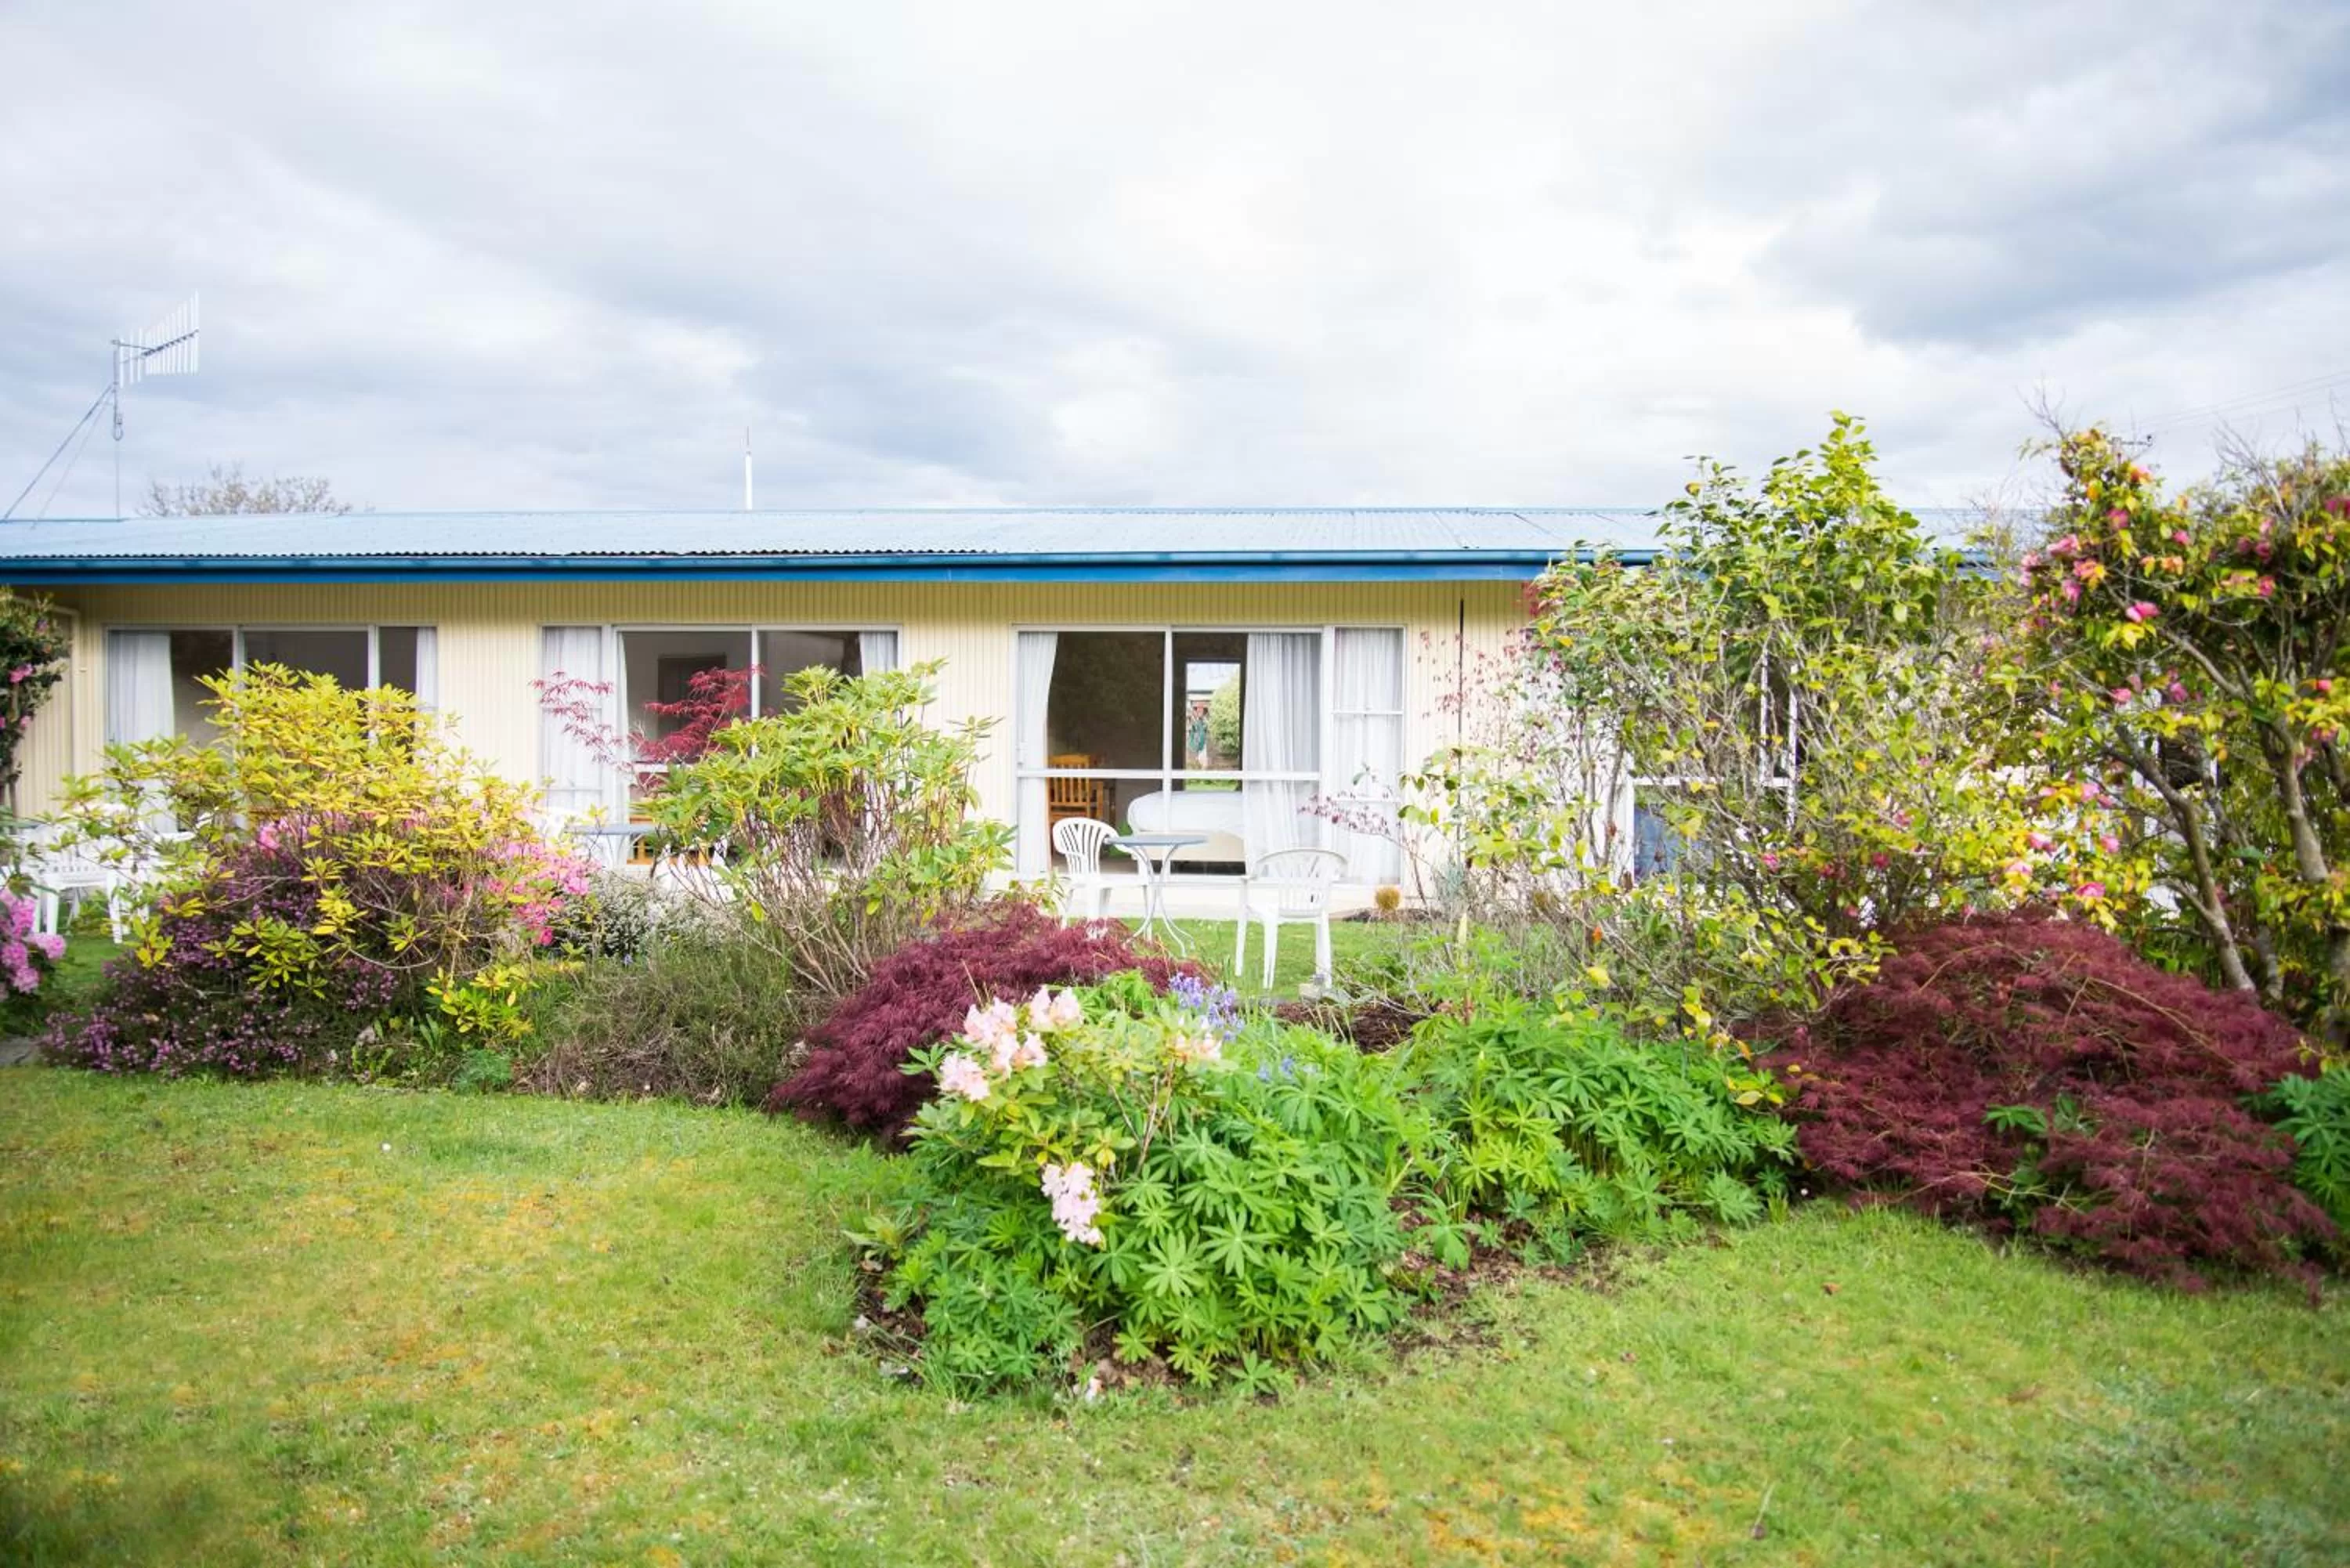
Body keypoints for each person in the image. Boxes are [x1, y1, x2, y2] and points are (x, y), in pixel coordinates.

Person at [1186, 699, 1210, 768]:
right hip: (1193, 745)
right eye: (1198, 710)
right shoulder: (1192, 720)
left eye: (1201, 710)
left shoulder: (1205, 721)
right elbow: (1190, 729)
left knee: (1203, 762)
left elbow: (1206, 730)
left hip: (1202, 745)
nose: (1199, 711)